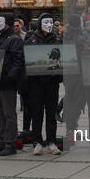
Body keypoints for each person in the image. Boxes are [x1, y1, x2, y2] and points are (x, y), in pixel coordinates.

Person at [25, 13, 63, 156]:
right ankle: (37, 142)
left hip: (52, 82)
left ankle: (51, 142)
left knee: (51, 113)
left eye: (51, 22)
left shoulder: (58, 40)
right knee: (37, 113)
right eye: (46, 22)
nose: (48, 25)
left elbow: (63, 59)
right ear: (40, 23)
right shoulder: (32, 40)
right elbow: (27, 60)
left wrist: (60, 75)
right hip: (36, 83)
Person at [0, 13, 23, 157]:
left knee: (9, 114)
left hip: (7, 82)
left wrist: (10, 77)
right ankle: (2, 141)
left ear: (7, 23)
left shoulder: (14, 39)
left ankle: (10, 143)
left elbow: (18, 60)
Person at [63, 14, 88, 145]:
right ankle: (71, 130)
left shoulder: (65, 35)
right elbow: (82, 56)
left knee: (70, 100)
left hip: (68, 73)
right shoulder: (79, 37)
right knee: (77, 102)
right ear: (78, 24)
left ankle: (70, 129)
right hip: (78, 74)